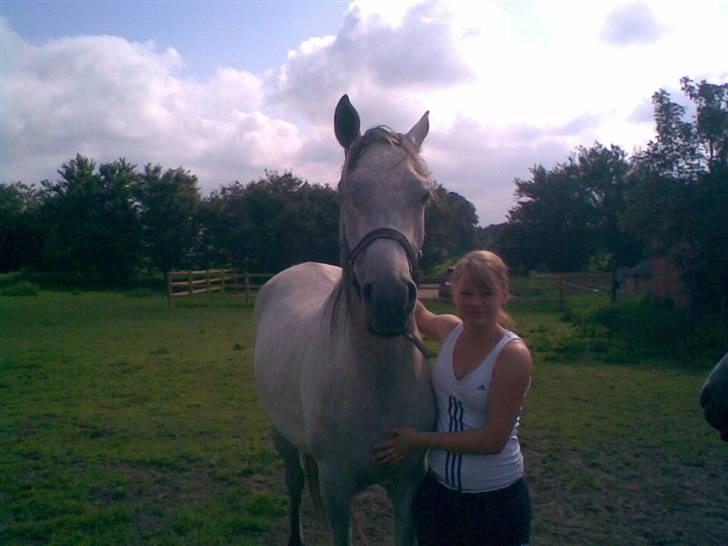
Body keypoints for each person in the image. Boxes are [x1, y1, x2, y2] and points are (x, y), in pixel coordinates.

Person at [372, 250, 533, 546]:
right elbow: (418, 311)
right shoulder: (449, 330)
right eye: (467, 293)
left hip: (494, 502)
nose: (476, 303)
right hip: (439, 496)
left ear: (505, 294)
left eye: (487, 293)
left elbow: (492, 440)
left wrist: (419, 440)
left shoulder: (512, 355)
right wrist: (376, 266)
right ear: (454, 293)